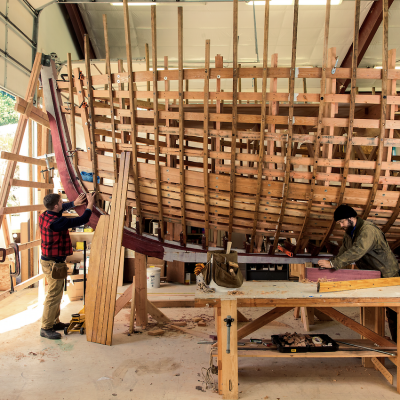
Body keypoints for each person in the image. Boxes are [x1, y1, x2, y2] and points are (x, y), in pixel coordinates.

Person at [318, 204, 399, 342]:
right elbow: (344, 250)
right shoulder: (350, 232)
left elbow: (357, 251)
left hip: (388, 274)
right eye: (339, 223)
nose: (341, 225)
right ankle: (379, 340)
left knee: (394, 312)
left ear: (351, 218)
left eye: (342, 222)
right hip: (372, 274)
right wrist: (330, 264)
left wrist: (333, 264)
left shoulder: (368, 230)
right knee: (372, 307)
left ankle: (397, 345)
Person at [39, 192, 96, 340]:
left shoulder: (44, 215)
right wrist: (90, 203)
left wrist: (73, 204)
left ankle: (54, 322)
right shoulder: (58, 223)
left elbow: (60, 208)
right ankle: (45, 328)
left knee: (57, 293)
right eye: (61, 202)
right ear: (55, 206)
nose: (62, 203)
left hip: (51, 261)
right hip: (53, 264)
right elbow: (83, 219)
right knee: (53, 295)